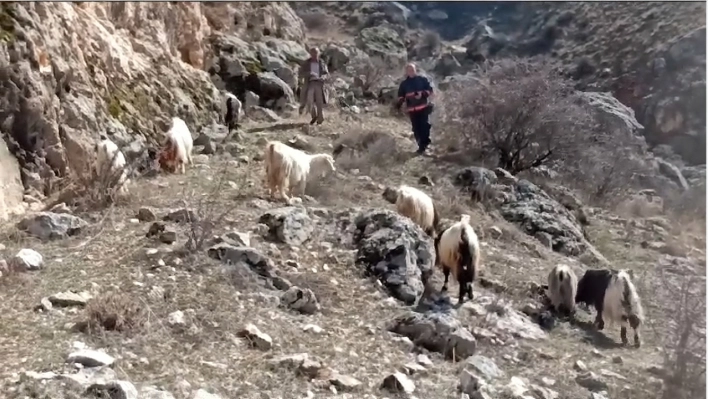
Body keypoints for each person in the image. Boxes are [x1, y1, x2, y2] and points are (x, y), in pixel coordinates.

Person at [396, 63, 434, 155]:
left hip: (423, 108)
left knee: (424, 126)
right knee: (416, 129)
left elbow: (430, 90)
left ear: (415, 70)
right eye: (409, 70)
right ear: (406, 72)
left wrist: (422, 94)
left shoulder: (422, 80)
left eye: (412, 69)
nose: (411, 71)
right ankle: (421, 146)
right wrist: (401, 103)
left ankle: (425, 145)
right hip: (412, 110)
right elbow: (401, 95)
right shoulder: (404, 84)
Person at [298, 47, 329, 125]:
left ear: (318, 53)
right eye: (313, 53)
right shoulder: (307, 63)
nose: (315, 55)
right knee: (309, 101)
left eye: (316, 53)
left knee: (319, 102)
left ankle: (320, 119)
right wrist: (309, 74)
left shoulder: (321, 62)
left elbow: (326, 73)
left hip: (319, 84)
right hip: (310, 83)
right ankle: (314, 116)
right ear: (310, 54)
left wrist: (322, 77)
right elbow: (301, 73)